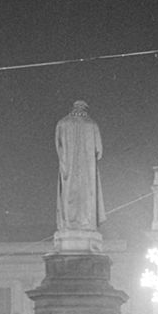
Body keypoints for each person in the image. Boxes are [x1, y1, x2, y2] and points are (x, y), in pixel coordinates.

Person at [55, 99, 105, 231]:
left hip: (68, 169)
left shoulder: (62, 123)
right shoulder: (92, 124)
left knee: (68, 194)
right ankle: (86, 223)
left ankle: (68, 223)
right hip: (87, 172)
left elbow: (58, 146)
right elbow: (99, 151)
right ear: (85, 109)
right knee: (87, 197)